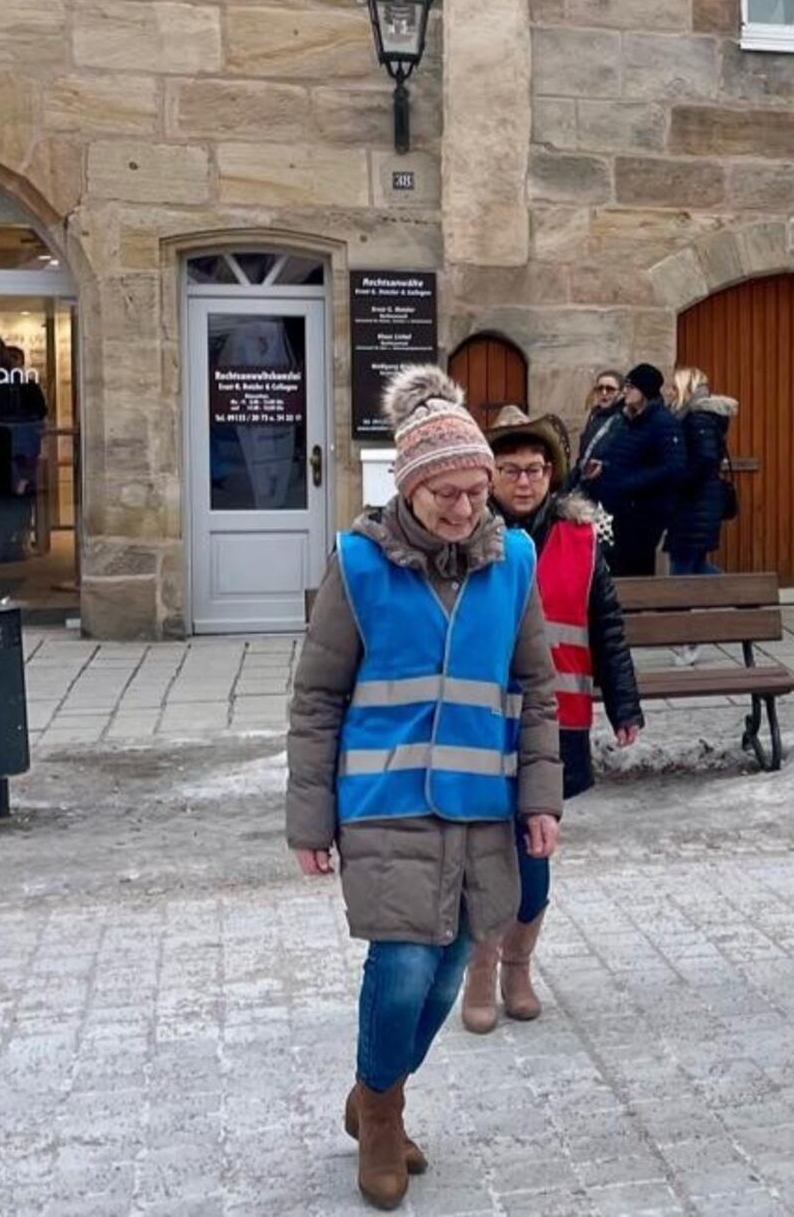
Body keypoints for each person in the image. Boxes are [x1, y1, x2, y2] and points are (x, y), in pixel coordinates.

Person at [285, 366, 563, 1209]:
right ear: (409, 487)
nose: (465, 507)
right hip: (383, 802)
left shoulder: (512, 560)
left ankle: (374, 1089)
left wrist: (541, 799)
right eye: (447, 492)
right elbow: (319, 693)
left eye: (477, 490)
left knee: (448, 976)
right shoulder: (361, 564)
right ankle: (382, 1120)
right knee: (403, 964)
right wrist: (310, 817)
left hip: (482, 803)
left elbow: (538, 687)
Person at [461, 407, 645, 1035]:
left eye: (534, 470)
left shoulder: (581, 540)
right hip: (480, 725)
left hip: (555, 724)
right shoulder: (465, 539)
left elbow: (606, 627)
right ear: (488, 476)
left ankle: (518, 965)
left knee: (533, 865)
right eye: (509, 470)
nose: (522, 481)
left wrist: (625, 703)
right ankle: (479, 969)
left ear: (552, 475)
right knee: (487, 857)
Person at [576, 362, 684, 577]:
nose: (625, 391)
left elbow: (673, 467)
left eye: (630, 386)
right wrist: (605, 467)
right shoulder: (630, 420)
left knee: (635, 571)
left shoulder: (662, 422)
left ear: (644, 391)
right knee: (620, 569)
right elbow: (626, 457)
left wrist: (630, 481)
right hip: (622, 510)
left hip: (644, 512)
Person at [664, 365, 740, 577]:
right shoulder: (695, 417)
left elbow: (705, 459)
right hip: (697, 504)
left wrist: (680, 481)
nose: (669, 392)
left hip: (695, 505)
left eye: (673, 387)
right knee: (694, 567)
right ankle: (741, 595)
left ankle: (741, 593)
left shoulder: (697, 418)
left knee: (682, 570)